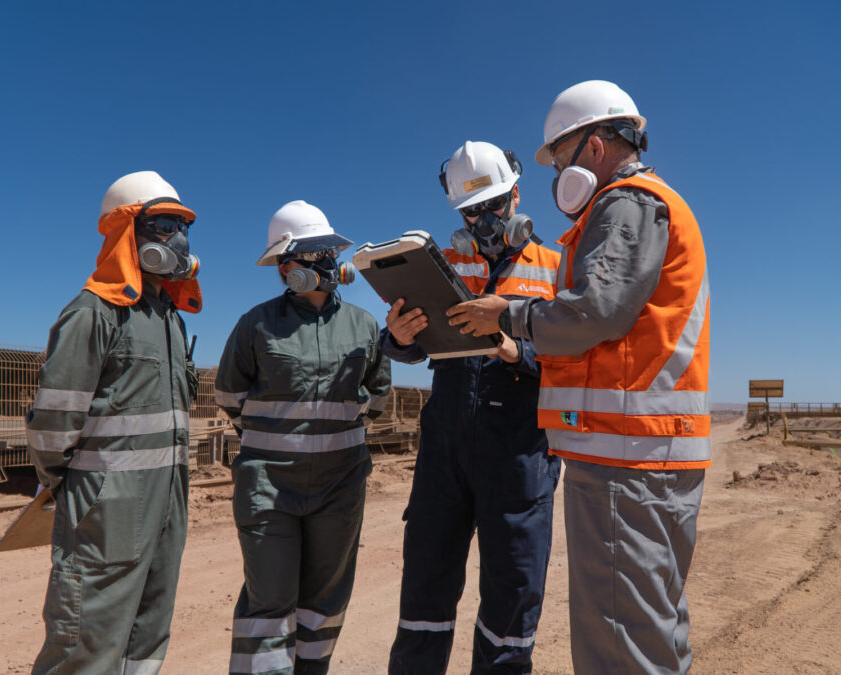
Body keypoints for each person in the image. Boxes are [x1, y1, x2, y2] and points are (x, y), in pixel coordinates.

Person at [447, 81, 711, 674]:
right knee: (651, 631)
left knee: (621, 643)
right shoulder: (638, 203)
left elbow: (593, 313)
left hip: (629, 456)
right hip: (643, 453)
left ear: (593, 147)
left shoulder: (626, 202)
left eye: (559, 157)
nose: (558, 172)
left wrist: (509, 314)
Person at [385, 141, 561, 674]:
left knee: (511, 598)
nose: (483, 220)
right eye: (471, 211)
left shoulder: (555, 267)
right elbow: (409, 348)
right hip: (445, 453)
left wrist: (511, 346)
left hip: (519, 454)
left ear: (517, 194)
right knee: (424, 596)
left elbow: (579, 359)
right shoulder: (439, 264)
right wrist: (397, 337)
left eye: (494, 206)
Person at [26, 170, 203, 673]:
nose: (179, 239)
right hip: (106, 513)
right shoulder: (94, 312)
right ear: (129, 233)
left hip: (166, 507)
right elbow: (52, 429)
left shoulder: (169, 318)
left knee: (146, 641)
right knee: (86, 646)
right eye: (164, 225)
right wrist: (83, 492)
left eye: (182, 225)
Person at [214, 200, 391, 675]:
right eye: (300, 257)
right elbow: (230, 395)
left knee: (325, 601)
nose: (322, 262)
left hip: (340, 486)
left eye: (325, 252)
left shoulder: (364, 325)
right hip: (268, 488)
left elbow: (377, 395)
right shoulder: (256, 324)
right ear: (287, 267)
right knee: (268, 603)